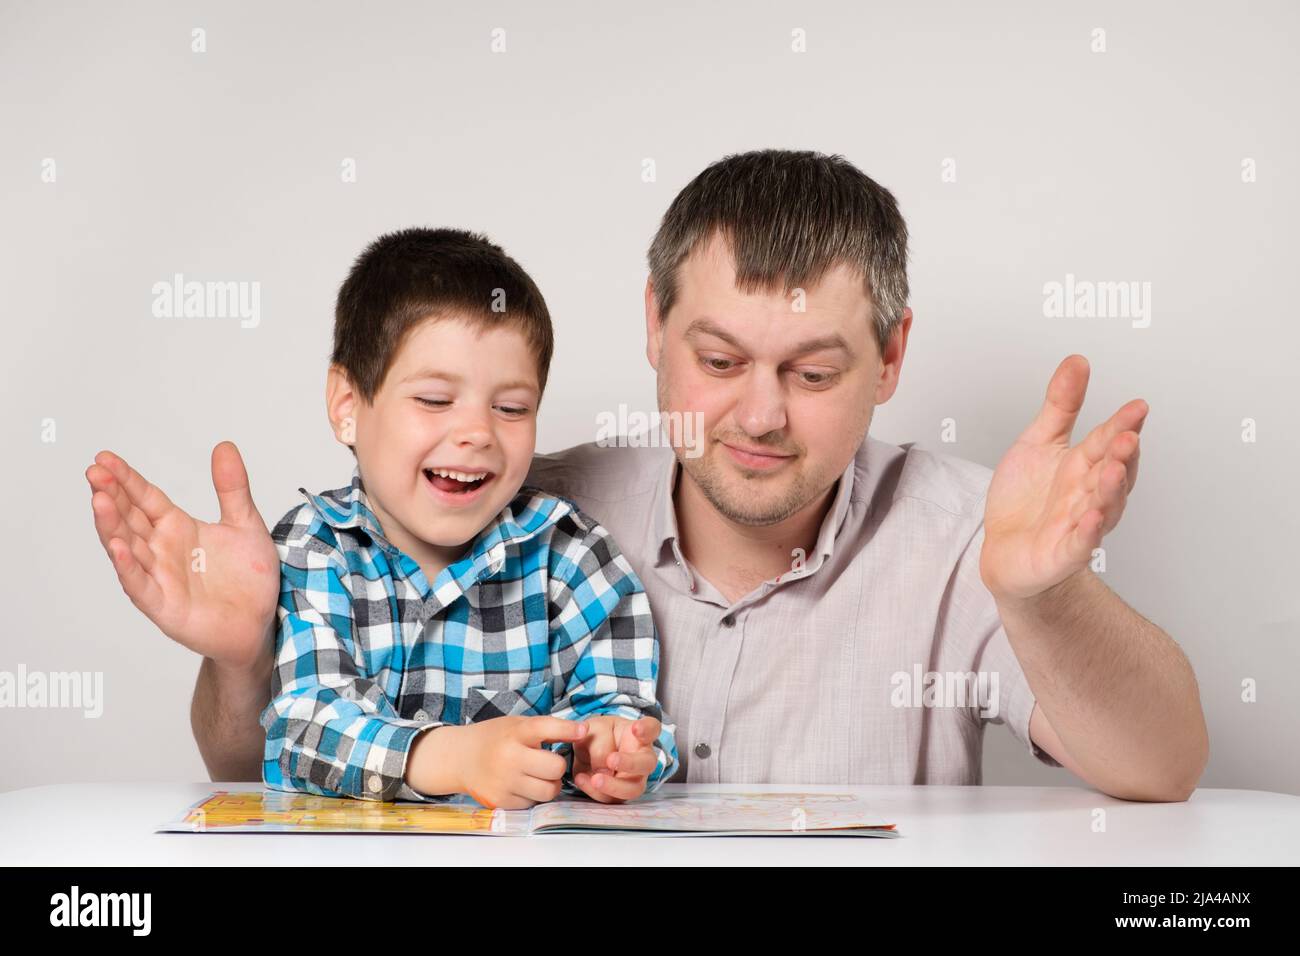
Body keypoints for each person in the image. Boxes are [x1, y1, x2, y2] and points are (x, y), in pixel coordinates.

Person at [87, 149, 1208, 802]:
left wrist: (1043, 594)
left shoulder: (967, 532)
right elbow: (257, 758)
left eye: (814, 370)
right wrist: (245, 660)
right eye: (718, 361)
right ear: (653, 328)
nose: (760, 414)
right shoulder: (515, 510)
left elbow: (1162, 769)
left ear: (893, 358)